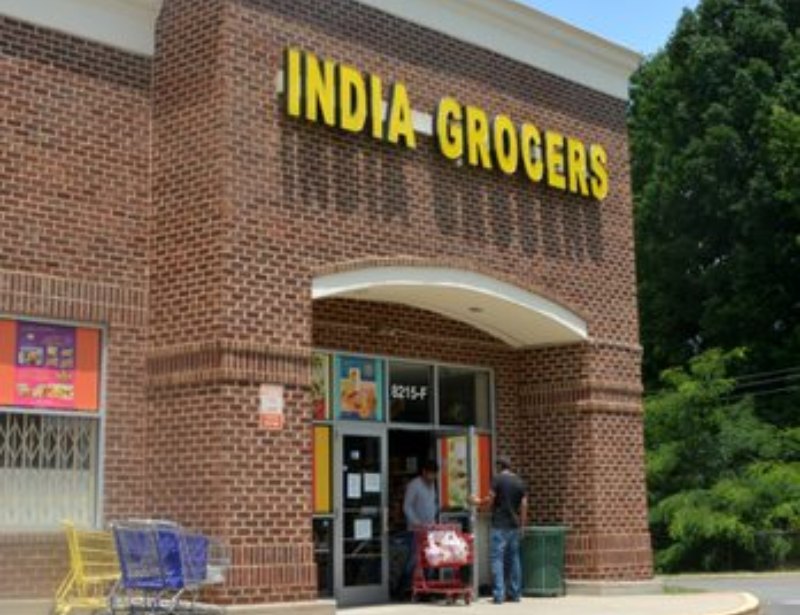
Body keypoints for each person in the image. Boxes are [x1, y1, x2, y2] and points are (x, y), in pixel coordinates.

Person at [472, 456, 528, 604]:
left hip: (499, 525)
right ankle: (515, 594)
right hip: (514, 526)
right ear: (510, 466)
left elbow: (490, 500)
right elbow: (523, 506)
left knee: (497, 559)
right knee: (514, 559)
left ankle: (499, 595)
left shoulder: (497, 480)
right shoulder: (519, 482)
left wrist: (477, 502)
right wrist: (523, 525)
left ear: (499, 467)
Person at [393, 459, 438, 599]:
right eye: (431, 474)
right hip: (416, 530)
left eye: (434, 474)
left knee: (430, 559)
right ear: (424, 472)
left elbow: (433, 504)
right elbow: (407, 506)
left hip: (430, 529)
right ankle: (402, 588)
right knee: (413, 560)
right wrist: (417, 523)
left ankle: (426, 590)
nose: (433, 477)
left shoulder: (432, 485)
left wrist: (434, 521)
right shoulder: (414, 485)